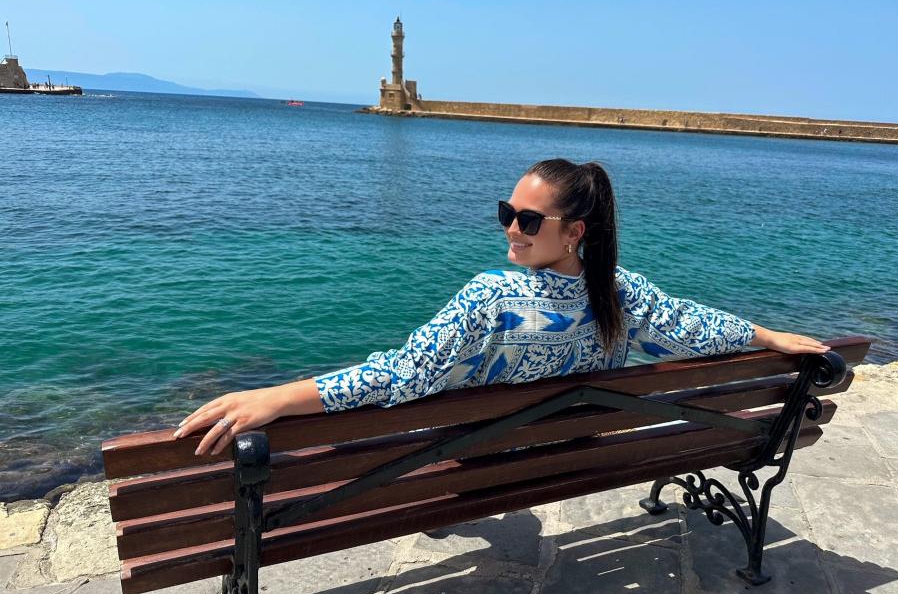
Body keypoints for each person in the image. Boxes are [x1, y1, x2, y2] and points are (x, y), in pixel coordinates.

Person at [174, 159, 830, 456]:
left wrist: (281, 396)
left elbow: (402, 375)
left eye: (526, 219)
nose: (510, 228)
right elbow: (694, 327)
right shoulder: (623, 292)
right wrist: (769, 336)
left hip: (484, 456)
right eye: (506, 213)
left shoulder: (490, 297)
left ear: (574, 232)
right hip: (575, 451)